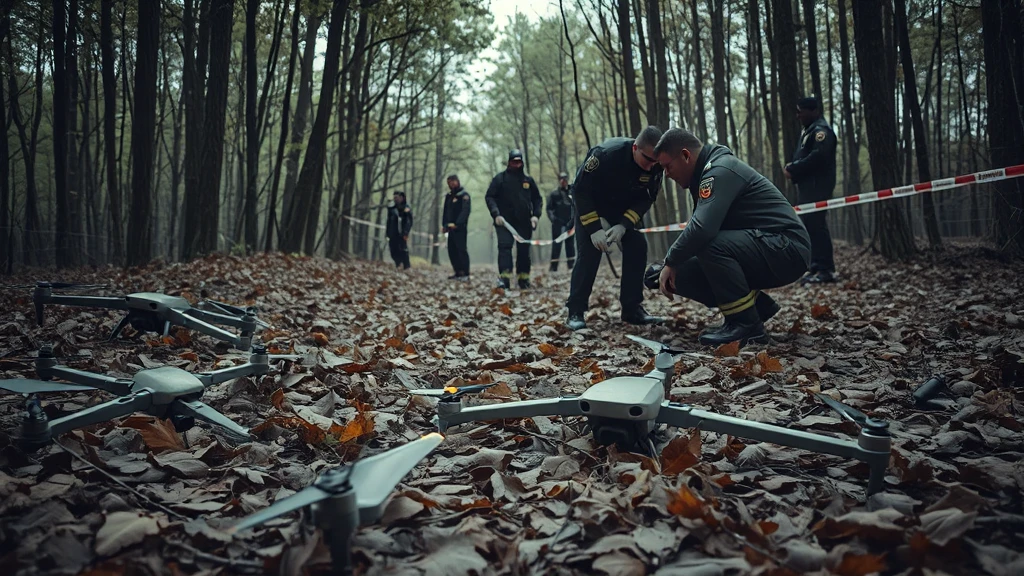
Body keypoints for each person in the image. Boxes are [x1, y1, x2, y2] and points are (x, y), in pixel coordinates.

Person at [646, 128, 811, 347]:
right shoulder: (706, 175)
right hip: (766, 247)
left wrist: (672, 260)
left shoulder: (719, 170)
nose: (666, 174)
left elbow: (703, 229)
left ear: (686, 156)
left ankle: (746, 325)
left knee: (708, 244)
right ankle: (756, 307)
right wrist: (669, 267)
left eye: (668, 166)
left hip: (788, 248)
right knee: (665, 274)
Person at [565, 126, 667, 331]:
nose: (651, 167)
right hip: (592, 206)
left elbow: (647, 198)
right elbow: (580, 191)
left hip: (622, 210)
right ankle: (575, 310)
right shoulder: (605, 154)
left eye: (656, 162)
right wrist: (594, 228)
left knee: (638, 245)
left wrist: (623, 225)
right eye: (647, 160)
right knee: (589, 253)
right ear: (635, 148)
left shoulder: (655, 164)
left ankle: (632, 308)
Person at [785, 96, 837, 284]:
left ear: (813, 111)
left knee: (817, 224)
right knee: (809, 224)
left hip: (818, 186)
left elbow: (819, 157)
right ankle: (815, 265)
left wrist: (794, 168)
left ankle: (826, 269)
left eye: (801, 111)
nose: (798, 116)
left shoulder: (821, 131)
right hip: (808, 187)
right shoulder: (809, 131)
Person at [485, 149, 542, 289]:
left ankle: (524, 279)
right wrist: (496, 214)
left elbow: (537, 199)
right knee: (505, 248)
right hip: (504, 222)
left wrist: (535, 216)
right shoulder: (499, 179)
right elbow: (490, 197)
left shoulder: (528, 181)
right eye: (513, 162)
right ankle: (505, 280)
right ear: (509, 162)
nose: (516, 165)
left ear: (522, 162)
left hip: (524, 223)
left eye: (518, 162)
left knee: (523, 251)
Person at [442, 174, 471, 280]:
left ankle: (465, 273)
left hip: (460, 228)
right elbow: (445, 212)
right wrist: (444, 225)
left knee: (461, 250)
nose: (451, 184)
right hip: (450, 229)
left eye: (453, 181)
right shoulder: (449, 196)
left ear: (458, 181)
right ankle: (458, 271)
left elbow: (465, 211)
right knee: (452, 250)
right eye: (449, 182)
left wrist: (457, 224)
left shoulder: (464, 195)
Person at [547, 172, 576, 272]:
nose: (563, 181)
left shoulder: (572, 192)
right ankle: (553, 267)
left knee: (570, 245)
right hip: (558, 224)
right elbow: (549, 208)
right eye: (561, 179)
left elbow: (576, 206)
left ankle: (571, 265)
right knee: (556, 245)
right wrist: (553, 219)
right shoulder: (554, 194)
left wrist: (574, 220)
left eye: (565, 179)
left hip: (569, 223)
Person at [385, 191, 413, 269]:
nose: (395, 199)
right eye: (394, 198)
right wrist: (387, 233)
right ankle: (398, 263)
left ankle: (406, 266)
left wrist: (405, 232)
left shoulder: (406, 208)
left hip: (402, 233)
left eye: (397, 197)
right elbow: (389, 221)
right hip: (393, 233)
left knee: (403, 249)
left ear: (402, 198)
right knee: (393, 249)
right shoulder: (392, 209)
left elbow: (409, 221)